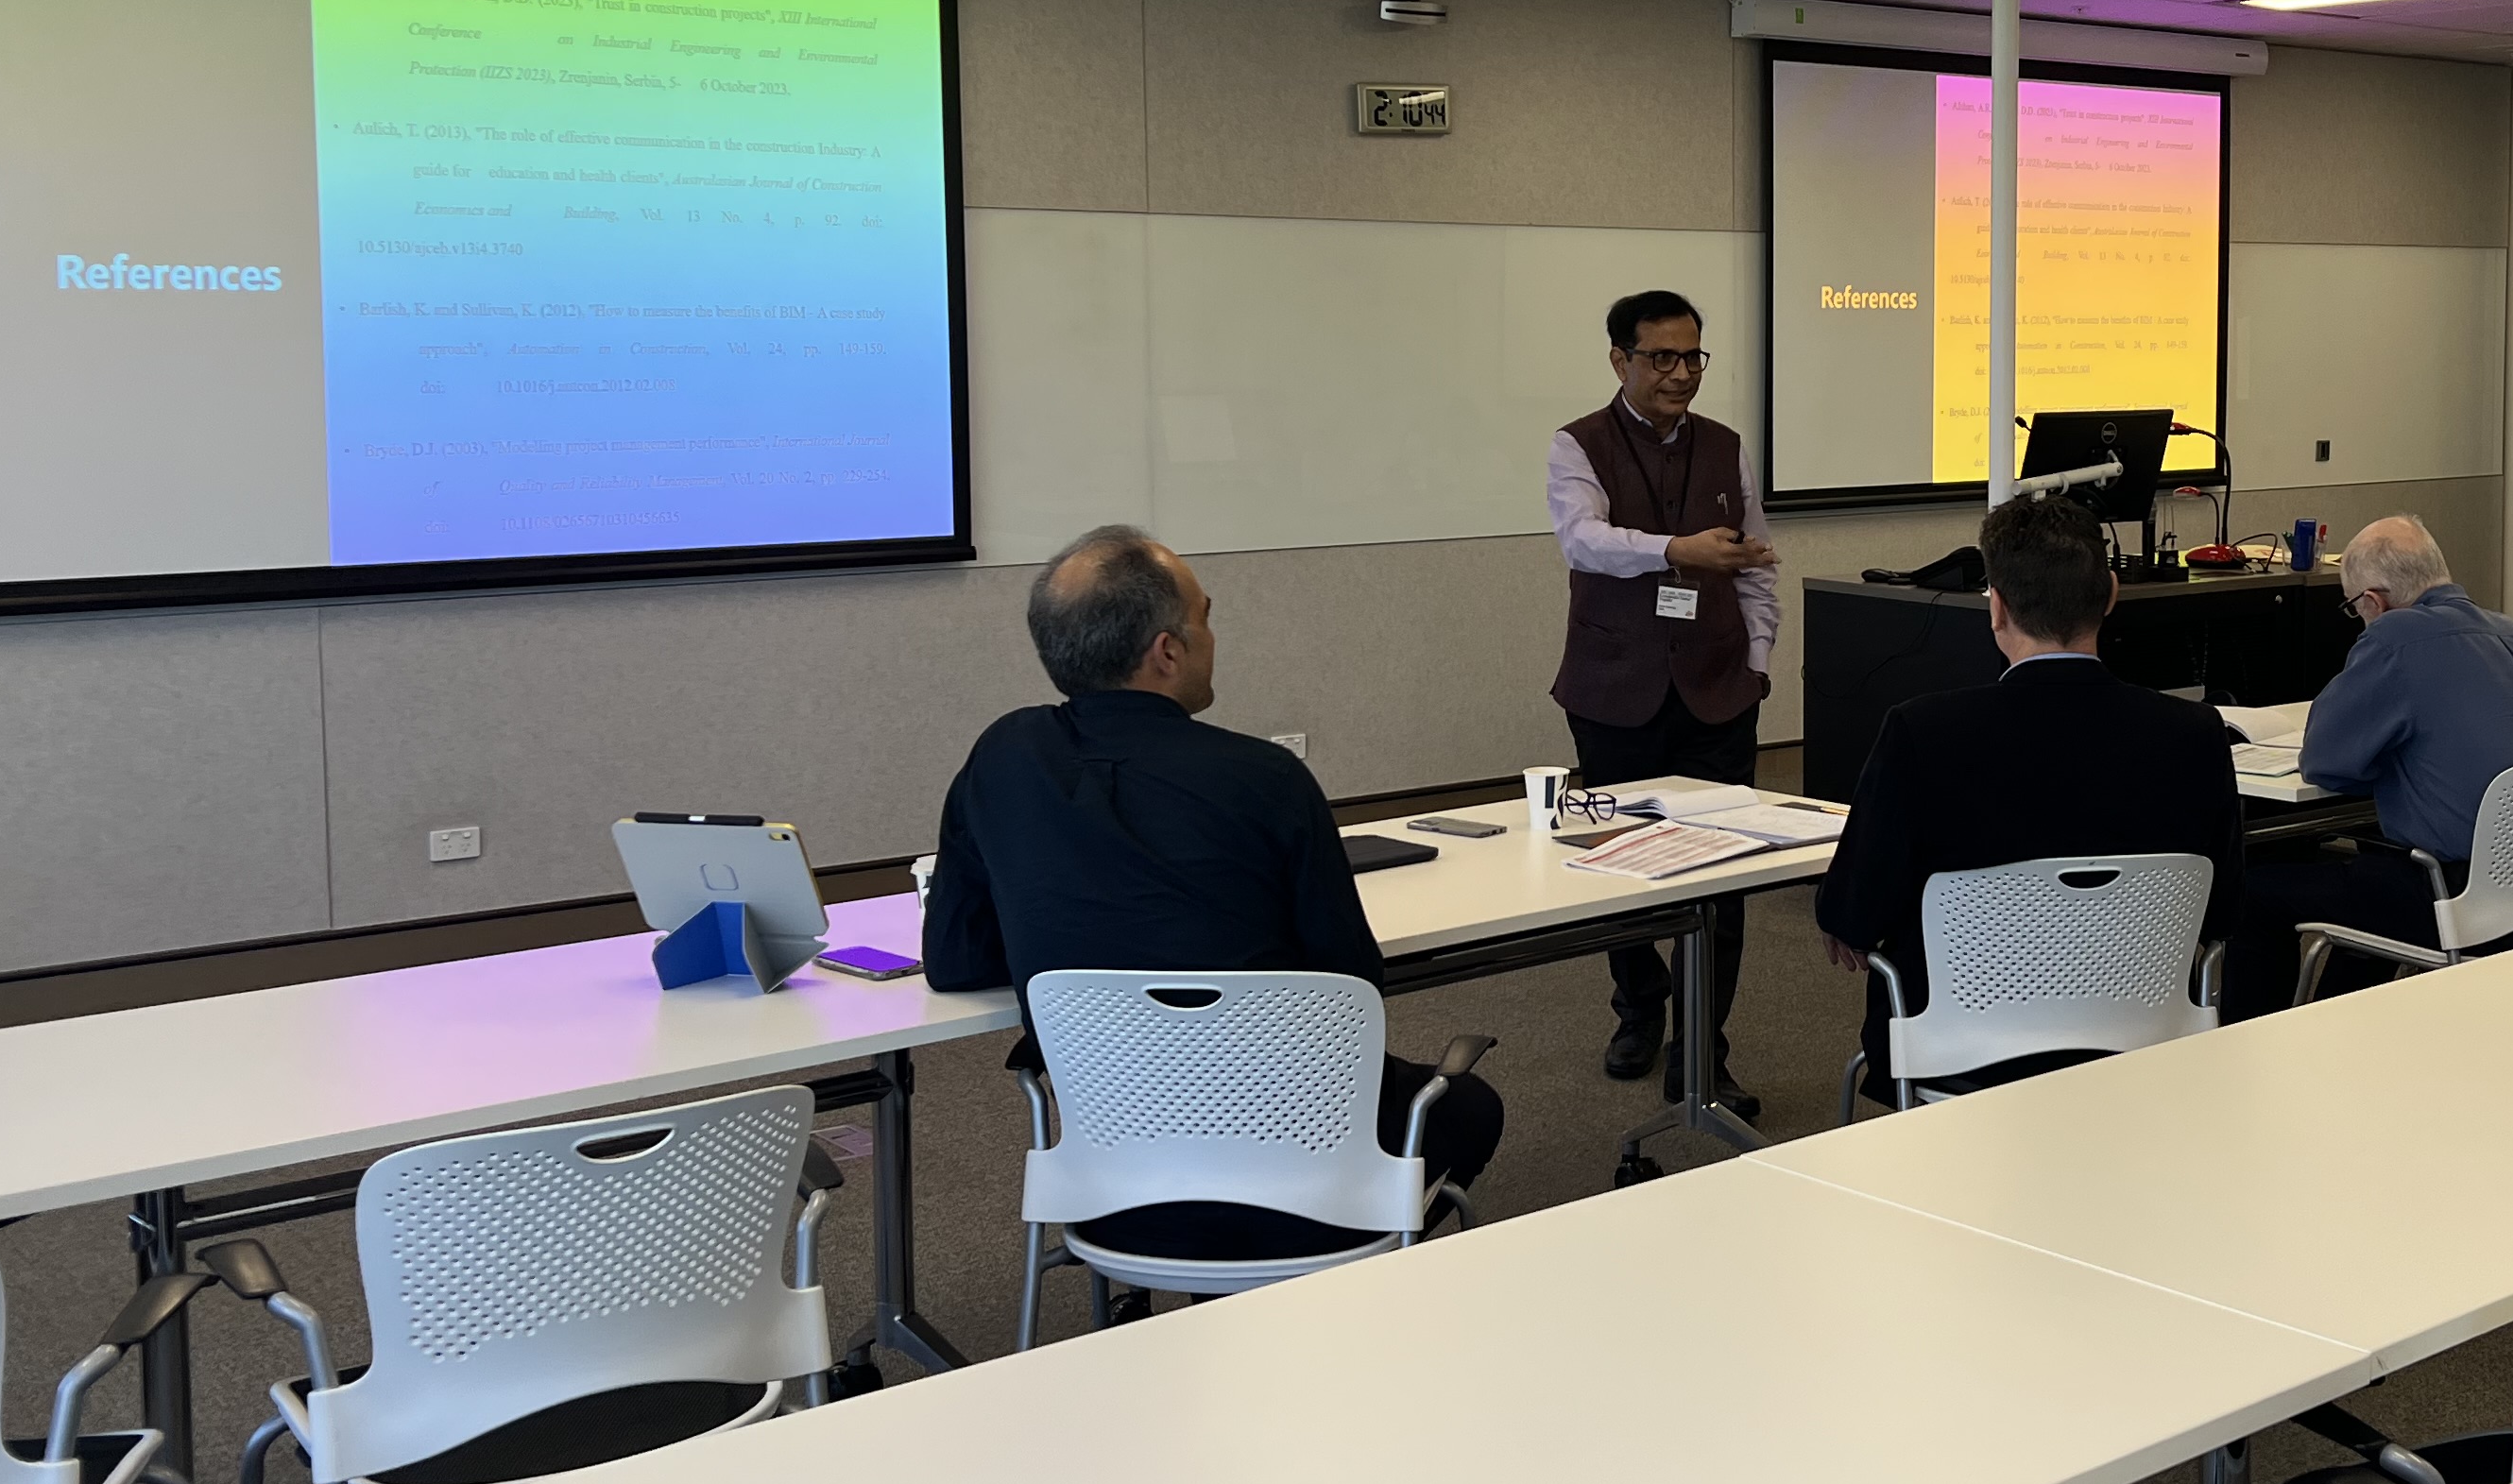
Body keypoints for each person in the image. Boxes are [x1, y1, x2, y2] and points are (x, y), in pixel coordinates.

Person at [925, 524, 1504, 1234]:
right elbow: (1351, 986)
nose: (1213, 636)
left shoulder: (1002, 758)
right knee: (1472, 1106)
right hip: (1301, 1172)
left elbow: (955, 962)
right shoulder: (1265, 779)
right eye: (1206, 616)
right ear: (1167, 651)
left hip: (1112, 1189)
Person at [1813, 494, 2246, 1099]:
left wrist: (1851, 922)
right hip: (2144, 1043)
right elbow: (2222, 911)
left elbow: (1852, 915)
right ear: (2111, 596)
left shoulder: (1923, 732)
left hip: (1958, 1052)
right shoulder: (2195, 734)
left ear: (1996, 607)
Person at [1549, 287, 1777, 1108]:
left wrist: (1757, 659)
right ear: (1621, 360)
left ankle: (1702, 1051)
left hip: (1718, 689)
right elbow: (1583, 540)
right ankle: (1639, 1007)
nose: (1681, 373)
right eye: (1662, 358)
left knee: (1723, 873)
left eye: (1693, 357)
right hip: (1615, 690)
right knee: (1624, 864)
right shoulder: (1578, 444)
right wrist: (1676, 549)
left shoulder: (1726, 446)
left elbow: (1756, 560)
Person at [2226, 516, 2513, 1005]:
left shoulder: (2395, 637)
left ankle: (2252, 1043)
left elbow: (2324, 762)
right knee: (2376, 871)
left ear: (2372, 601)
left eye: (2353, 607)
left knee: (2254, 894)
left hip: (2465, 904)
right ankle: (2350, 1021)